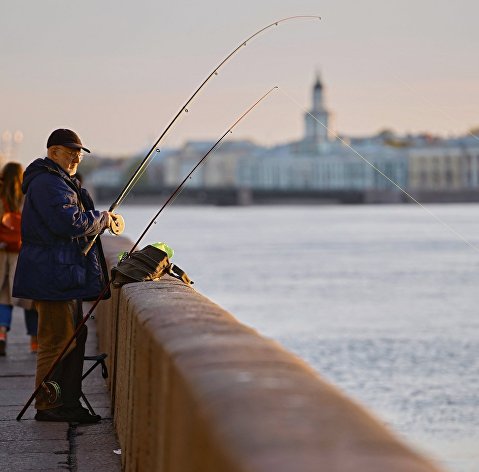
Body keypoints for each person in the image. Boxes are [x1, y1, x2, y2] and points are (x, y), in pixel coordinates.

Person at [12, 128, 120, 423]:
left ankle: (66, 402)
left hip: (61, 273)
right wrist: (103, 219)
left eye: (79, 153)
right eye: (69, 151)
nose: (75, 157)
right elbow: (68, 223)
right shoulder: (49, 183)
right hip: (53, 274)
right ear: (53, 151)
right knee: (56, 341)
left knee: (72, 337)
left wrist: (98, 219)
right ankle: (49, 406)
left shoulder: (58, 181)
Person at [0, 162, 39, 356]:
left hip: (2, 253)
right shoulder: (28, 194)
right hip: (23, 253)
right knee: (29, 298)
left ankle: (1, 334)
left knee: (3, 297)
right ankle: (34, 341)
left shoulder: (1, 197)